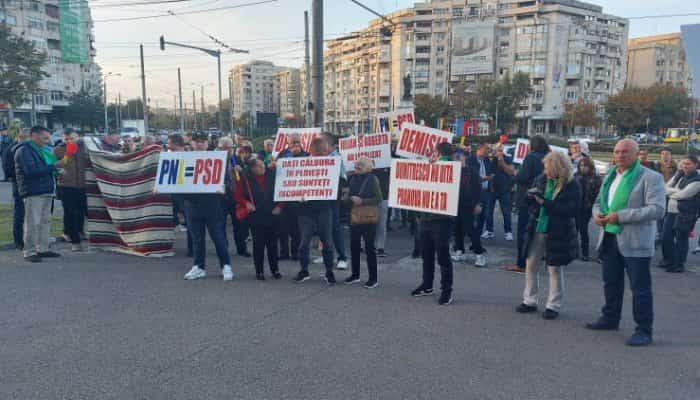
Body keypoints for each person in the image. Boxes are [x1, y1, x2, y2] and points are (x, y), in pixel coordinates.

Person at [587, 139, 665, 347]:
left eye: (625, 152)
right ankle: (610, 318)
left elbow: (657, 209)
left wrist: (620, 216)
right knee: (611, 283)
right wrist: (597, 214)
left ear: (636, 154)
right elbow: (598, 202)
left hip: (636, 241)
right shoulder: (610, 175)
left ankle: (644, 330)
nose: (620, 155)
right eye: (617, 152)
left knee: (640, 288)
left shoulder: (651, 177)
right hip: (610, 236)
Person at [515, 151, 581, 320]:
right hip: (537, 226)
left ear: (559, 168)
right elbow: (527, 202)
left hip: (559, 230)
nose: (546, 171)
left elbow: (571, 210)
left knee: (555, 268)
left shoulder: (572, 184)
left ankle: (553, 305)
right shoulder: (541, 179)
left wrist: (545, 202)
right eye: (545, 167)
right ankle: (529, 300)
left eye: (549, 167)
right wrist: (529, 197)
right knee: (530, 264)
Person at [181, 132, 233, 281]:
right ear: (191, 143)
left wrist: (224, 188)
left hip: (212, 205)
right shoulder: (185, 159)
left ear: (207, 143)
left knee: (218, 237)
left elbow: (229, 182)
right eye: (196, 141)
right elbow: (178, 181)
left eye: (202, 141)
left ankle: (226, 265)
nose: (199, 144)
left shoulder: (218, 159)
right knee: (197, 239)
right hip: (192, 205)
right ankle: (198, 266)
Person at [411, 142, 457, 305]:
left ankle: (446, 291)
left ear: (437, 153)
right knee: (429, 255)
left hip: (440, 220)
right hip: (429, 218)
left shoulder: (447, 167)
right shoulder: (436, 167)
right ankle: (428, 285)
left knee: (440, 257)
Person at [15, 126, 65, 262]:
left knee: (45, 221)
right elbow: (31, 172)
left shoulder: (42, 150)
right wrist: (54, 166)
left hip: (46, 190)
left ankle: (43, 248)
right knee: (32, 223)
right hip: (33, 191)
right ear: (34, 136)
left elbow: (45, 169)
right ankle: (29, 251)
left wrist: (55, 171)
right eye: (45, 138)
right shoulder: (24, 151)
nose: (48, 141)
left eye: (48, 138)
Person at [293, 138, 337, 285]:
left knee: (328, 243)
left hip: (324, 209)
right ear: (314, 150)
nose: (326, 153)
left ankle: (329, 272)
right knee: (304, 243)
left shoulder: (332, 164)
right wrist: (297, 196)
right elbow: (292, 184)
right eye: (323, 151)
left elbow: (339, 184)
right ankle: (304, 271)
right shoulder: (301, 164)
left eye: (327, 150)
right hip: (305, 211)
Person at [505, 136, 549, 273]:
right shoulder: (548, 157)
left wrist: (515, 175)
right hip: (543, 198)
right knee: (538, 232)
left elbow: (522, 177)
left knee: (524, 231)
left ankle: (521, 263)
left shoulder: (531, 158)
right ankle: (537, 259)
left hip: (527, 198)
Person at [235, 158, 283, 280]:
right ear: (252, 169)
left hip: (272, 213)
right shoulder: (245, 179)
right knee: (258, 245)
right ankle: (259, 271)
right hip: (256, 215)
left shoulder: (273, 174)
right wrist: (246, 203)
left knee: (272, 245)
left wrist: (279, 206)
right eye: (258, 166)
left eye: (262, 164)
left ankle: (275, 269)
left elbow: (283, 190)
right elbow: (238, 195)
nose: (262, 167)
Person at [343, 157, 382, 288]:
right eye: (356, 165)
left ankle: (373, 278)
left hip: (368, 217)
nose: (356, 167)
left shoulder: (373, 179)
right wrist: (349, 199)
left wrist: (362, 201)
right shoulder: (352, 178)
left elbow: (379, 199)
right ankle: (355, 275)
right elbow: (346, 196)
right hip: (355, 217)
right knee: (354, 246)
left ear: (367, 167)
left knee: (369, 248)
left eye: (360, 165)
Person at [659, 156, 700, 273]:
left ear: (696, 165)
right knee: (665, 236)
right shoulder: (679, 174)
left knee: (681, 239)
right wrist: (672, 191)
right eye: (684, 164)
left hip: (685, 213)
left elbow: (683, 195)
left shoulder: (697, 180)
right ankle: (668, 259)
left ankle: (678, 264)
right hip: (671, 211)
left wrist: (670, 192)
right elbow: (664, 187)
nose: (685, 166)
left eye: (688, 164)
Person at [53, 130, 89, 252]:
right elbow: (55, 165)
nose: (69, 141)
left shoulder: (84, 147)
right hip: (66, 185)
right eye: (66, 139)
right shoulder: (58, 149)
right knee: (70, 212)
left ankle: (80, 231)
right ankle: (75, 241)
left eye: (72, 138)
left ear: (78, 137)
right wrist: (68, 154)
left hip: (83, 185)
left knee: (82, 211)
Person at [452, 146, 487, 267]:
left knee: (471, 230)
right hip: (454, 204)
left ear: (464, 157)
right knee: (457, 230)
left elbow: (478, 189)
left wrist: (478, 204)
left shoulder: (471, 171)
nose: (457, 158)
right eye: (455, 156)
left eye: (459, 156)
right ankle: (459, 251)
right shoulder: (451, 170)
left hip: (468, 205)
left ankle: (479, 254)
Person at [276, 134, 306, 260]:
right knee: (282, 227)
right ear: (288, 143)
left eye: (297, 142)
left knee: (296, 228)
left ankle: (295, 252)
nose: (296, 144)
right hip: (284, 196)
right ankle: (284, 252)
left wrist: (297, 155)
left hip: (297, 197)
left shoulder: (306, 155)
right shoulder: (282, 154)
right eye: (293, 142)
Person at [167, 134, 193, 257]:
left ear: (175, 143)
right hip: (172, 192)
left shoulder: (189, 156)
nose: (168, 145)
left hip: (184, 192)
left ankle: (192, 249)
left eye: (169, 142)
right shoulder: (167, 156)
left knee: (190, 221)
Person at [3, 129, 29, 249]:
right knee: (20, 211)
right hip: (18, 183)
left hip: (23, 183)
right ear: (20, 137)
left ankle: (24, 239)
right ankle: (18, 239)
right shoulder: (11, 149)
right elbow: (7, 168)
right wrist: (16, 176)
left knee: (26, 212)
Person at [574, 156, 602, 261]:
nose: (583, 167)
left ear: (590, 166)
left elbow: (598, 194)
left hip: (586, 207)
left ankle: (585, 253)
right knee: (574, 229)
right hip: (576, 206)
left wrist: (593, 205)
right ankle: (575, 251)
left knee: (583, 229)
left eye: (585, 165)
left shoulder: (595, 178)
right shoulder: (575, 176)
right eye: (581, 165)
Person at [485, 143, 515, 241]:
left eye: (501, 150)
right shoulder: (490, 159)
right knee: (489, 211)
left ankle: (508, 232)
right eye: (497, 150)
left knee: (506, 212)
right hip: (492, 190)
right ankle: (489, 231)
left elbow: (511, 172)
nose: (499, 152)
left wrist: (502, 163)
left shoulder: (507, 158)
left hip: (504, 190)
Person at [230, 145, 253, 257]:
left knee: (240, 225)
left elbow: (250, 176)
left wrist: (242, 170)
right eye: (238, 152)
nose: (240, 154)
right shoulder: (222, 160)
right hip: (224, 197)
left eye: (242, 152)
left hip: (239, 197)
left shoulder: (245, 163)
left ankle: (242, 249)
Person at [470, 144, 495, 239]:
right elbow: (469, 176)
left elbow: (489, 172)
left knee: (483, 215)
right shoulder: (471, 160)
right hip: (474, 192)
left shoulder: (487, 160)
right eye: (485, 151)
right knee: (473, 215)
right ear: (479, 150)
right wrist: (481, 179)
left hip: (486, 192)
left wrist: (491, 185)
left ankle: (477, 236)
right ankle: (471, 234)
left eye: (488, 151)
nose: (487, 153)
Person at [374, 167, 391, 258]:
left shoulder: (388, 164)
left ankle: (380, 247)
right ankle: (368, 245)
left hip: (384, 196)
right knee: (369, 222)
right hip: (371, 197)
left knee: (381, 224)